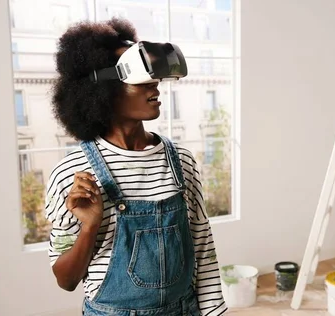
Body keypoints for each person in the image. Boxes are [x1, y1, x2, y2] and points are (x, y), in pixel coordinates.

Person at [43, 17, 227, 316]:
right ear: (101, 89)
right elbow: (66, 280)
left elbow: (202, 244)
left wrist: (213, 311)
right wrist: (90, 226)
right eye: (140, 78)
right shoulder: (71, 174)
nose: (154, 85)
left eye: (153, 76)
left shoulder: (181, 160)